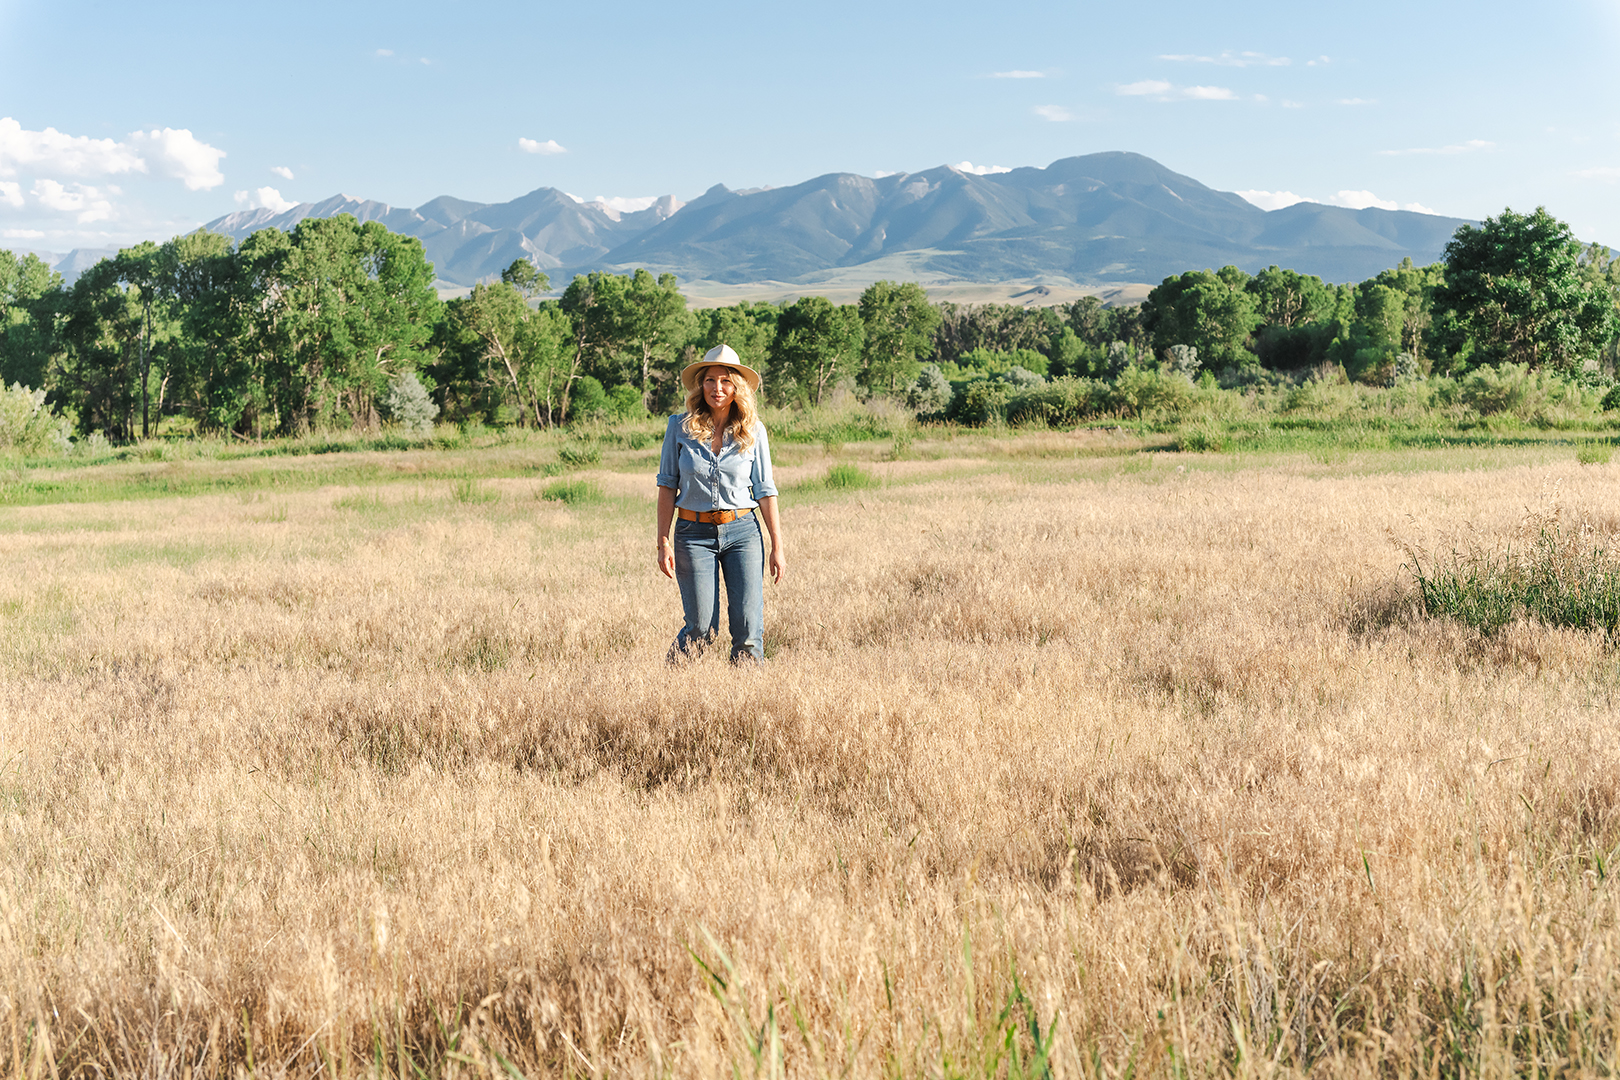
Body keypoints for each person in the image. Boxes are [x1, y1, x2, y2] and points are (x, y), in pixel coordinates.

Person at [655, 344, 785, 663]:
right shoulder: (679, 427)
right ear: (701, 385)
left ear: (736, 386)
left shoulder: (754, 431)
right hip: (692, 533)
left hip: (743, 532)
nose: (717, 388)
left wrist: (777, 546)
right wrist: (663, 542)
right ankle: (670, 690)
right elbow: (667, 486)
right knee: (701, 629)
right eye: (710, 380)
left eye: (725, 380)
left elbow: (765, 490)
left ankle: (749, 703)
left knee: (748, 631)